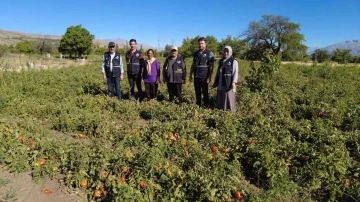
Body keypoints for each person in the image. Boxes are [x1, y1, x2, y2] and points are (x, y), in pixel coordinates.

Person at [189, 37, 215, 108]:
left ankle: (206, 106)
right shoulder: (196, 53)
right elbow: (193, 65)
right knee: (197, 93)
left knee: (205, 93)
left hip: (204, 77)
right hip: (196, 77)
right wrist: (190, 75)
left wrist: (209, 77)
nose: (200, 45)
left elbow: (211, 66)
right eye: (199, 44)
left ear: (205, 44)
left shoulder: (209, 53)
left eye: (202, 43)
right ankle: (198, 106)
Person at [213, 46, 238, 113]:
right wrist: (215, 81)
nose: (226, 53)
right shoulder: (221, 61)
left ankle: (230, 112)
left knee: (229, 97)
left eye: (227, 51)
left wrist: (234, 82)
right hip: (221, 82)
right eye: (225, 51)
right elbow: (218, 72)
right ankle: (221, 111)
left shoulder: (233, 61)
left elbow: (236, 73)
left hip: (228, 82)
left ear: (230, 52)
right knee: (220, 96)